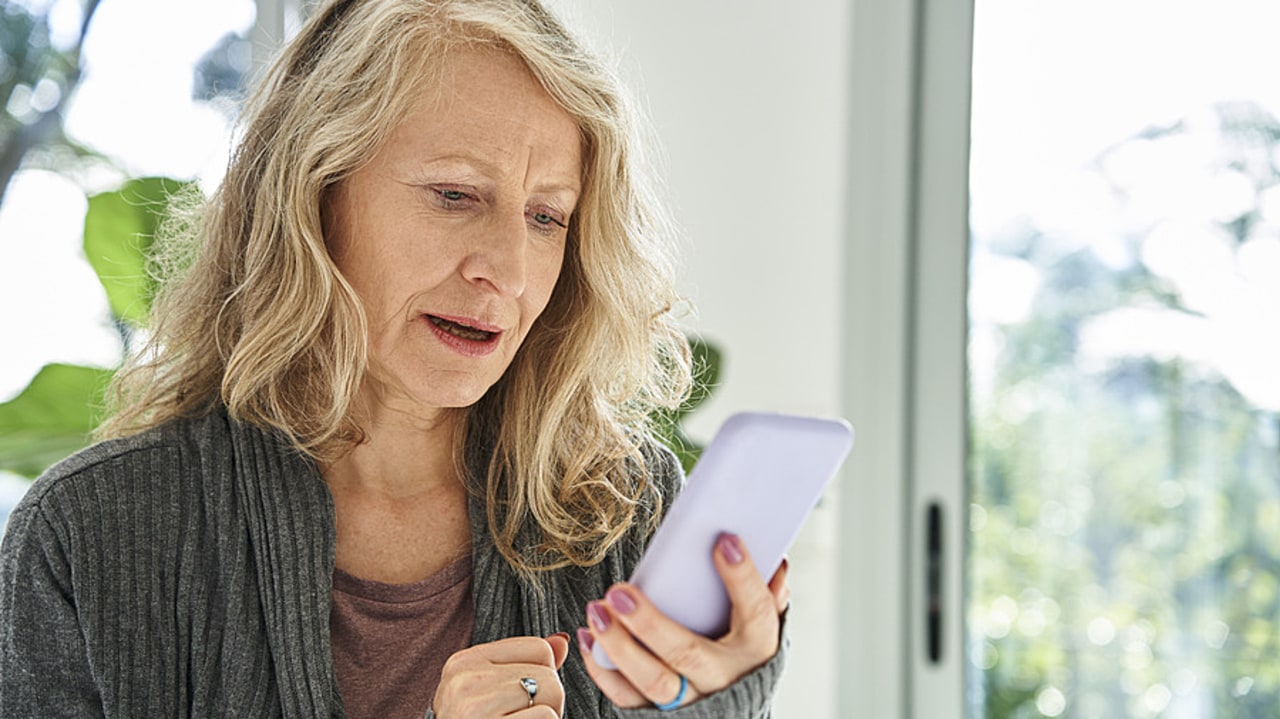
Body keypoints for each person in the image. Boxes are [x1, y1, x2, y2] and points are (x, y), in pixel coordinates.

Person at [0, 0, 790, 717]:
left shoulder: (628, 509)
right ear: (314, 196)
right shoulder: (88, 536)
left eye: (548, 216)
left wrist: (712, 700)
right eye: (455, 194)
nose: (508, 272)